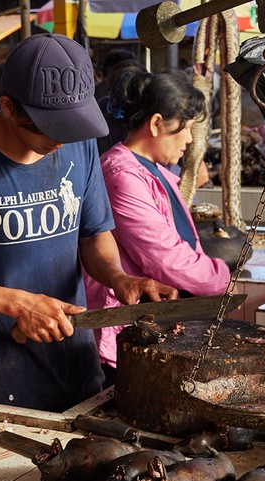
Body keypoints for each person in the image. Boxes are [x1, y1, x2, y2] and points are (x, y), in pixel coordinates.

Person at [0, 34, 177, 412]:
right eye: (49, 128)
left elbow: (93, 234)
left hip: (76, 359)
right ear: (8, 107)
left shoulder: (79, 143)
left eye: (71, 128)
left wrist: (117, 276)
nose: (62, 142)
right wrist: (16, 304)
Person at [84, 71, 230, 378]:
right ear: (156, 123)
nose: (189, 139)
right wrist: (221, 277)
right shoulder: (121, 175)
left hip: (151, 323)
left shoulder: (154, 170)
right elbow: (165, 257)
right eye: (185, 128)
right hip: (126, 328)